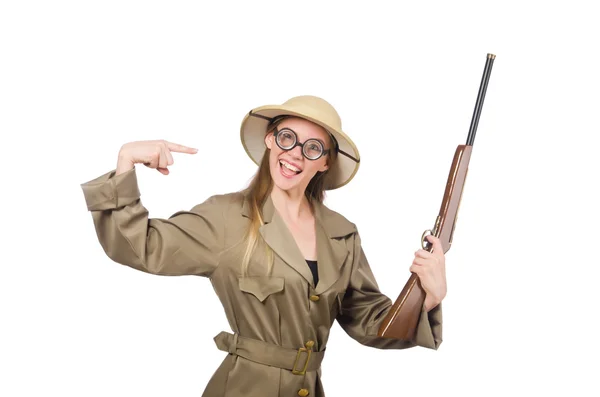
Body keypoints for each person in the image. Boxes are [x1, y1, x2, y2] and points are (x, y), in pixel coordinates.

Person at [80, 95, 446, 397]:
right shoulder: (227, 217)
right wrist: (125, 163)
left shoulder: (342, 234)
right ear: (270, 140)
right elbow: (139, 246)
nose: (296, 154)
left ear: (325, 162)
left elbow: (369, 322)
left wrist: (427, 297)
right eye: (287, 138)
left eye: (313, 147)